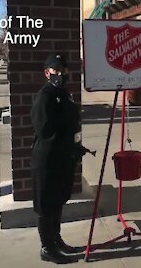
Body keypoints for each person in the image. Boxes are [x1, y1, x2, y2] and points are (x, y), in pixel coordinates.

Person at [31, 53, 93, 263]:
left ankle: (57, 241)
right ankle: (47, 247)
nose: (60, 74)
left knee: (58, 201)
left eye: (63, 71)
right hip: (48, 158)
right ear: (47, 73)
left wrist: (75, 146)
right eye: (56, 70)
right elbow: (44, 129)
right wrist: (66, 141)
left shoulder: (65, 93)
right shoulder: (45, 96)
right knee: (46, 204)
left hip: (63, 157)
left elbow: (71, 123)